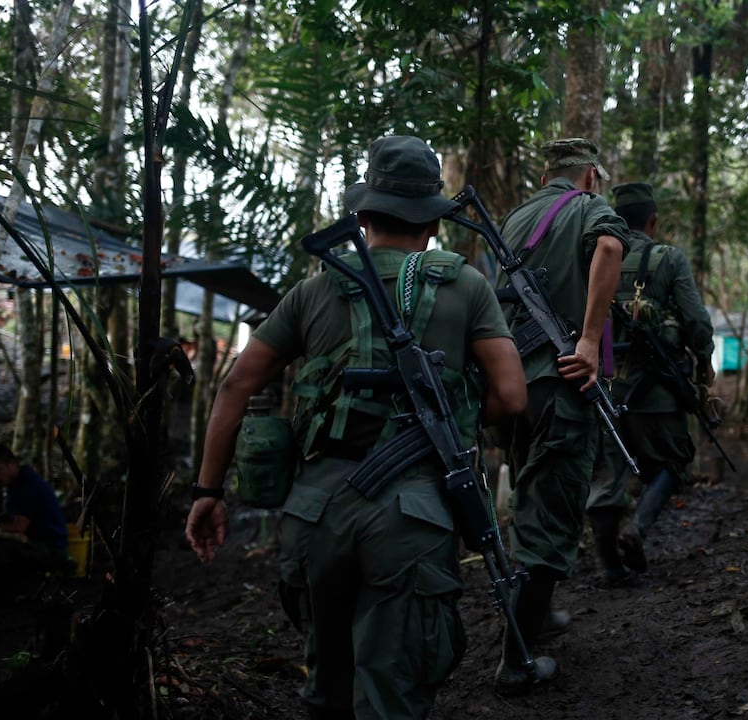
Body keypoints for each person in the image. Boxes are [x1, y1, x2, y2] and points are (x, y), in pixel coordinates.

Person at [184, 135, 527, 720]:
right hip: (413, 515)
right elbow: (512, 396)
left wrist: (209, 492)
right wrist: (453, 416)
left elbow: (236, 385)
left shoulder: (315, 289)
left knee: (327, 685)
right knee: (390, 695)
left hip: (316, 512)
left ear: (363, 214)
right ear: (434, 220)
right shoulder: (465, 285)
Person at [492, 137, 630, 695]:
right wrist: (592, 339)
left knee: (529, 497)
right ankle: (515, 662)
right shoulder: (589, 208)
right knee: (550, 512)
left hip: (509, 387)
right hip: (561, 381)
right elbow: (611, 250)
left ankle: (538, 614)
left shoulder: (513, 217)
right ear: (591, 176)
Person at [585, 182, 715, 582]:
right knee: (673, 461)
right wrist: (704, 361)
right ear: (652, 220)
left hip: (602, 384)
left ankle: (610, 567)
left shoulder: (593, 256)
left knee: (609, 474)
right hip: (656, 387)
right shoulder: (666, 259)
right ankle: (636, 529)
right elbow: (694, 318)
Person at [0, 443, 70, 598]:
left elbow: (19, 526)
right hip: (40, 542)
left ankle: (8, 595)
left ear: (12, 464)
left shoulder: (27, 485)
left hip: (51, 548)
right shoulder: (17, 482)